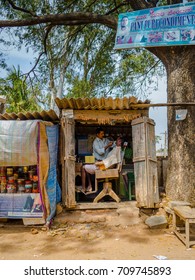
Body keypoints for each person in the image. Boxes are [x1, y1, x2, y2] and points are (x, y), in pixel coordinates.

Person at [81, 127, 114, 193]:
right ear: (97, 134)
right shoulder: (95, 142)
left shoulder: (106, 140)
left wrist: (114, 143)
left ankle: (84, 187)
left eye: (103, 133)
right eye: (101, 134)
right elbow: (100, 152)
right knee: (85, 167)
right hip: (101, 163)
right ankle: (89, 186)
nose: (103, 135)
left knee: (83, 168)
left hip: (102, 165)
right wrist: (108, 146)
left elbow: (113, 145)